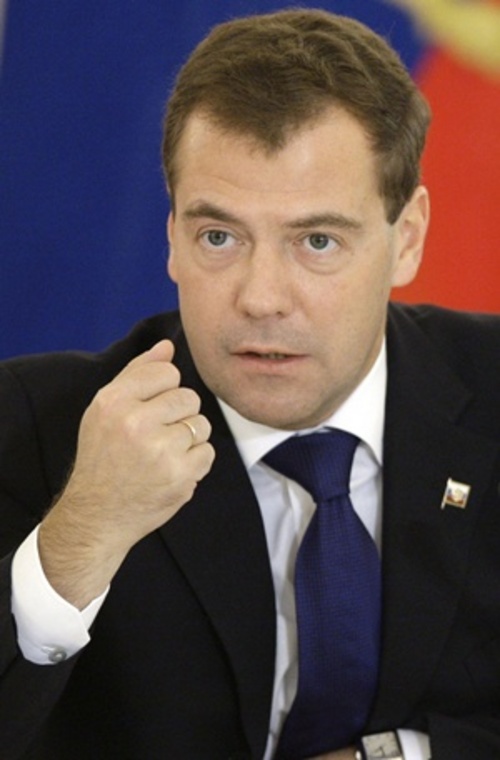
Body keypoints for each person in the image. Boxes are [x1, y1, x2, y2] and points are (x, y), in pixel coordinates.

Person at [1, 8, 499, 760]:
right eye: (220, 237)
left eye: (317, 241)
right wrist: (77, 540)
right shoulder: (33, 427)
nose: (261, 297)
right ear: (172, 237)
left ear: (408, 239)